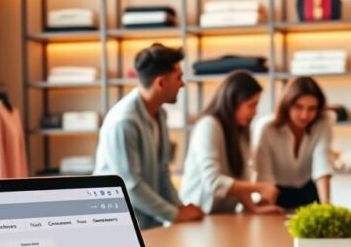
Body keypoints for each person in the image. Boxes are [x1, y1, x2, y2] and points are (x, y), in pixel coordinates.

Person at [93, 43, 203, 230]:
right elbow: (131, 186)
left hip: (149, 222)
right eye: (178, 77)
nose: (182, 84)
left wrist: (179, 208)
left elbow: (162, 172)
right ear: (161, 83)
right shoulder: (124, 121)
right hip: (119, 225)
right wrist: (175, 214)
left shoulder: (161, 115)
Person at [180, 70, 282, 214]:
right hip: (198, 214)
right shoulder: (209, 125)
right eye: (251, 105)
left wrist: (253, 208)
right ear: (233, 102)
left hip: (222, 215)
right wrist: (260, 187)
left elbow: (239, 179)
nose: (255, 111)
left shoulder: (241, 132)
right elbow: (213, 182)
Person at [253, 77, 335, 208]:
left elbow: (322, 163)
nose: (304, 115)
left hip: (309, 189)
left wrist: (326, 205)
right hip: (276, 192)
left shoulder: (324, 122)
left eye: (312, 108)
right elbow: (265, 175)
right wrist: (267, 208)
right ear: (287, 105)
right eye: (298, 107)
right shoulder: (266, 128)